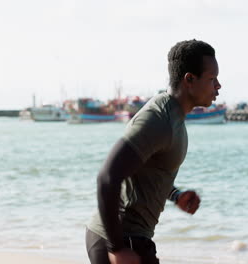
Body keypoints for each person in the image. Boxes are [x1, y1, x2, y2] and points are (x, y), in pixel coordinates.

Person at [85, 39, 221, 264]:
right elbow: (107, 177)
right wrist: (117, 248)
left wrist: (175, 195)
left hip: (130, 238)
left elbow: (146, 171)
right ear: (189, 79)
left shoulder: (174, 117)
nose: (218, 86)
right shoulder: (159, 118)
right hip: (122, 238)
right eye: (212, 79)